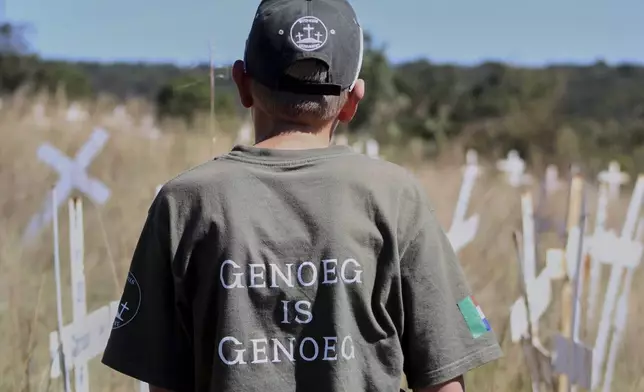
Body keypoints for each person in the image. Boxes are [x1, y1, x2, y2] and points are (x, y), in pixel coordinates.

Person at [101, 0, 503, 391]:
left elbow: (164, 382)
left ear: (242, 83)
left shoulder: (184, 202)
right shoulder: (396, 197)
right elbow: (443, 378)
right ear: (352, 101)